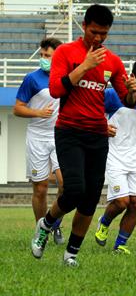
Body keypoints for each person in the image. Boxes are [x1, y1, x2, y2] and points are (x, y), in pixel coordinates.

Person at [31, 4, 136, 267]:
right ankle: (46, 224)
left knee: (90, 197)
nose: (99, 38)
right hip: (69, 131)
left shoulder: (112, 60)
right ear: (84, 26)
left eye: (104, 33)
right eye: (94, 32)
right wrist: (85, 65)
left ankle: (72, 253)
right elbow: (56, 90)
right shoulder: (66, 53)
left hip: (98, 135)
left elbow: (128, 100)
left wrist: (135, 92)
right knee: (74, 189)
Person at [94, 58, 136, 254]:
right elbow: (93, 111)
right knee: (122, 201)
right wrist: (103, 126)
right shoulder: (113, 95)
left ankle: (120, 245)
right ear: (132, 77)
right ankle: (104, 222)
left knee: (135, 203)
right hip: (115, 156)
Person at [14, 38, 64, 244]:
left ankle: (56, 223)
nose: (43, 59)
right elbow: (18, 108)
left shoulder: (66, 78)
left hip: (61, 135)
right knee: (40, 188)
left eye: (48, 56)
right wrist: (37, 112)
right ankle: (41, 231)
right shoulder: (32, 79)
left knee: (66, 185)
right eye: (42, 55)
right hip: (37, 136)